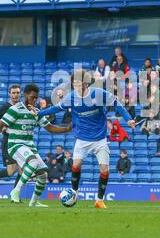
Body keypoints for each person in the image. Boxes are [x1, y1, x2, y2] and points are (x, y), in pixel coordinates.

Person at [37, 69, 136, 209]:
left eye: (79, 81)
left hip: (100, 138)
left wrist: (129, 120)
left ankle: (99, 200)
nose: (77, 84)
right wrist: (39, 113)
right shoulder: (71, 98)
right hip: (82, 138)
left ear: (86, 83)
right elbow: (55, 109)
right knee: (76, 165)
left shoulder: (99, 94)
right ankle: (74, 194)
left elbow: (117, 104)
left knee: (104, 170)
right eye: (75, 82)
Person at [0, 84, 71, 207]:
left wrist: (67, 129)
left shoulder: (36, 112)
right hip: (15, 144)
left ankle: (33, 202)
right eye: (32, 97)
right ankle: (15, 191)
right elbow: (0, 124)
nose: (34, 100)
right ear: (25, 95)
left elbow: (50, 128)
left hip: (29, 146)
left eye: (36, 98)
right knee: (33, 163)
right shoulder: (16, 109)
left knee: (43, 175)